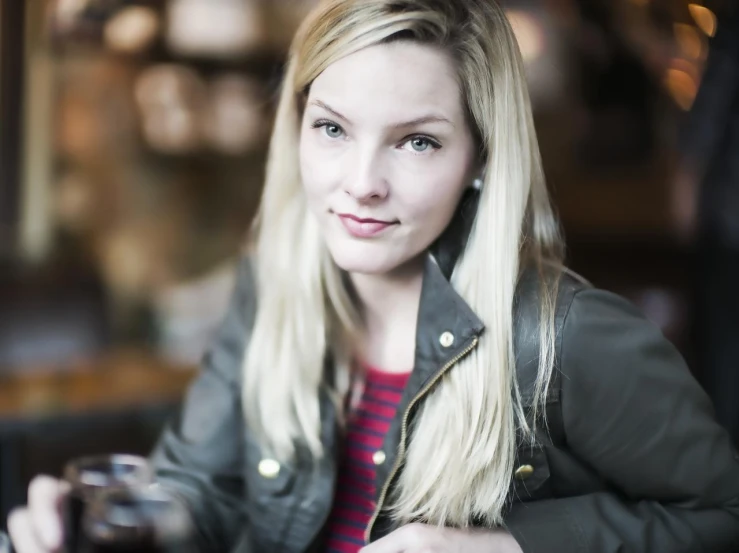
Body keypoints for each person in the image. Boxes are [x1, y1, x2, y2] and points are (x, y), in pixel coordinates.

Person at [9, 1, 739, 552]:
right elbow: (199, 485)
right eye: (331, 128)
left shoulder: (563, 336)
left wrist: (499, 545)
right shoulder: (273, 285)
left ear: (480, 159)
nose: (360, 183)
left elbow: (721, 514)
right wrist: (94, 522)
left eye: (416, 142)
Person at [673, 6, 739, 446]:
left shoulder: (734, 36)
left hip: (730, 223)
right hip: (729, 220)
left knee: (722, 351)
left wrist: (684, 193)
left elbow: (706, 122)